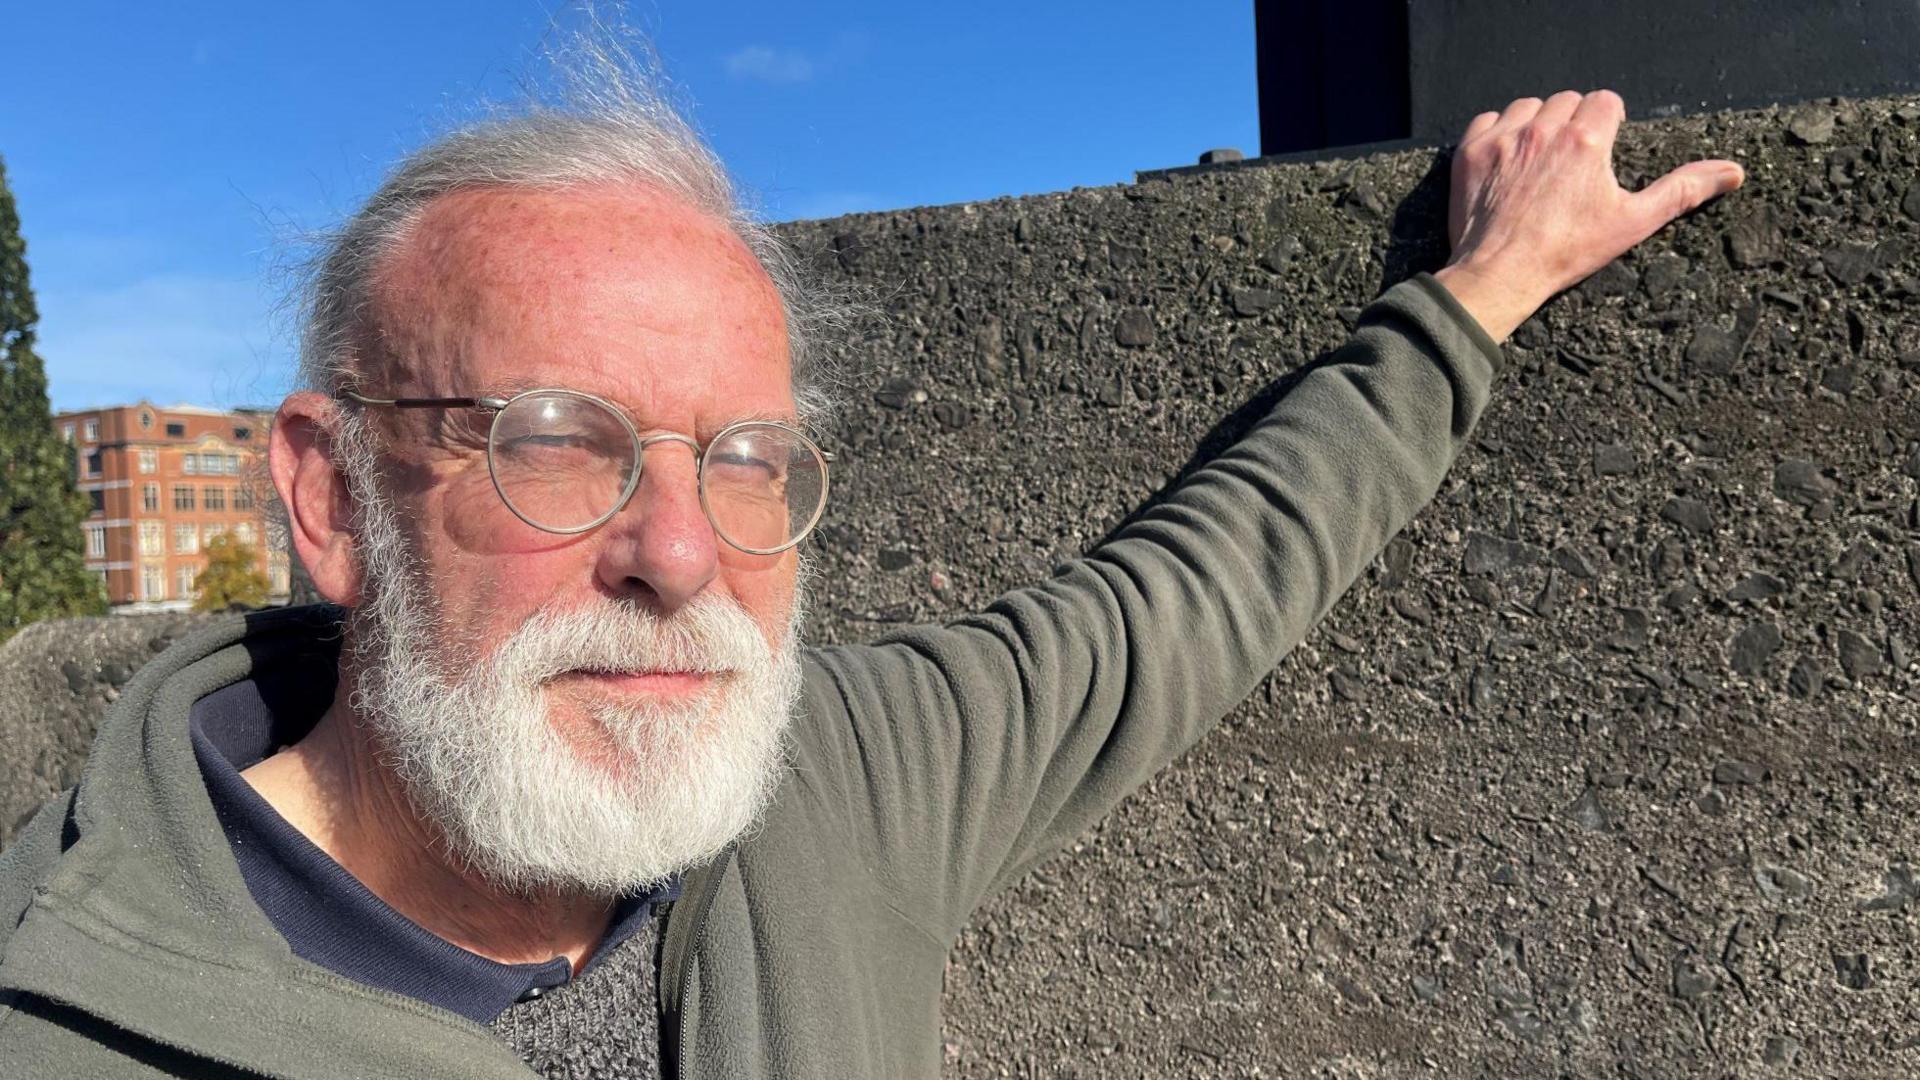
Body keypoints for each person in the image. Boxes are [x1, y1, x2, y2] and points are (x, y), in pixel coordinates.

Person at [0, 56, 1743, 1080]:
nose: (680, 554)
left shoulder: (838, 781)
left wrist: (1472, 302)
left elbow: (1196, 590)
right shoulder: (64, 1007)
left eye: (744, 458)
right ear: (327, 496)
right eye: (552, 439)